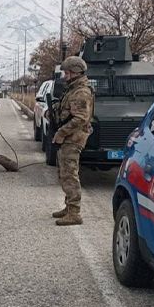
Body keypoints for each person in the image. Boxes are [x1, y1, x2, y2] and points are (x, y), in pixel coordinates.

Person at [51, 56, 94, 226]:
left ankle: (74, 212)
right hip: (69, 137)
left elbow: (80, 119)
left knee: (70, 174)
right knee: (64, 173)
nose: (65, 76)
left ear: (75, 72)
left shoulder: (81, 92)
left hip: (74, 138)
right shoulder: (72, 89)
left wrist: (61, 133)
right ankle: (69, 206)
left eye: (67, 73)